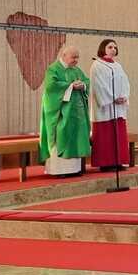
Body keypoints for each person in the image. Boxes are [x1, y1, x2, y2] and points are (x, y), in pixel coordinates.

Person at [39, 46, 91, 177]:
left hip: (75, 113)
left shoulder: (76, 70)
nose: (76, 60)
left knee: (76, 136)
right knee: (61, 134)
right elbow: (51, 86)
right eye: (73, 57)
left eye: (77, 57)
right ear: (64, 55)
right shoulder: (53, 69)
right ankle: (60, 170)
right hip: (60, 112)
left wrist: (83, 85)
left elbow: (86, 80)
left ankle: (74, 170)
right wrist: (70, 86)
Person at [89, 39, 130, 172]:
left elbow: (125, 82)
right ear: (103, 49)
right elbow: (98, 85)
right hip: (105, 107)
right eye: (110, 47)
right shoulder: (97, 65)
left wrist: (124, 96)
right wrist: (112, 98)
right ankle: (106, 163)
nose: (113, 49)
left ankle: (119, 161)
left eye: (115, 47)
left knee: (118, 134)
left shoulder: (118, 66)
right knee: (106, 135)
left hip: (118, 106)